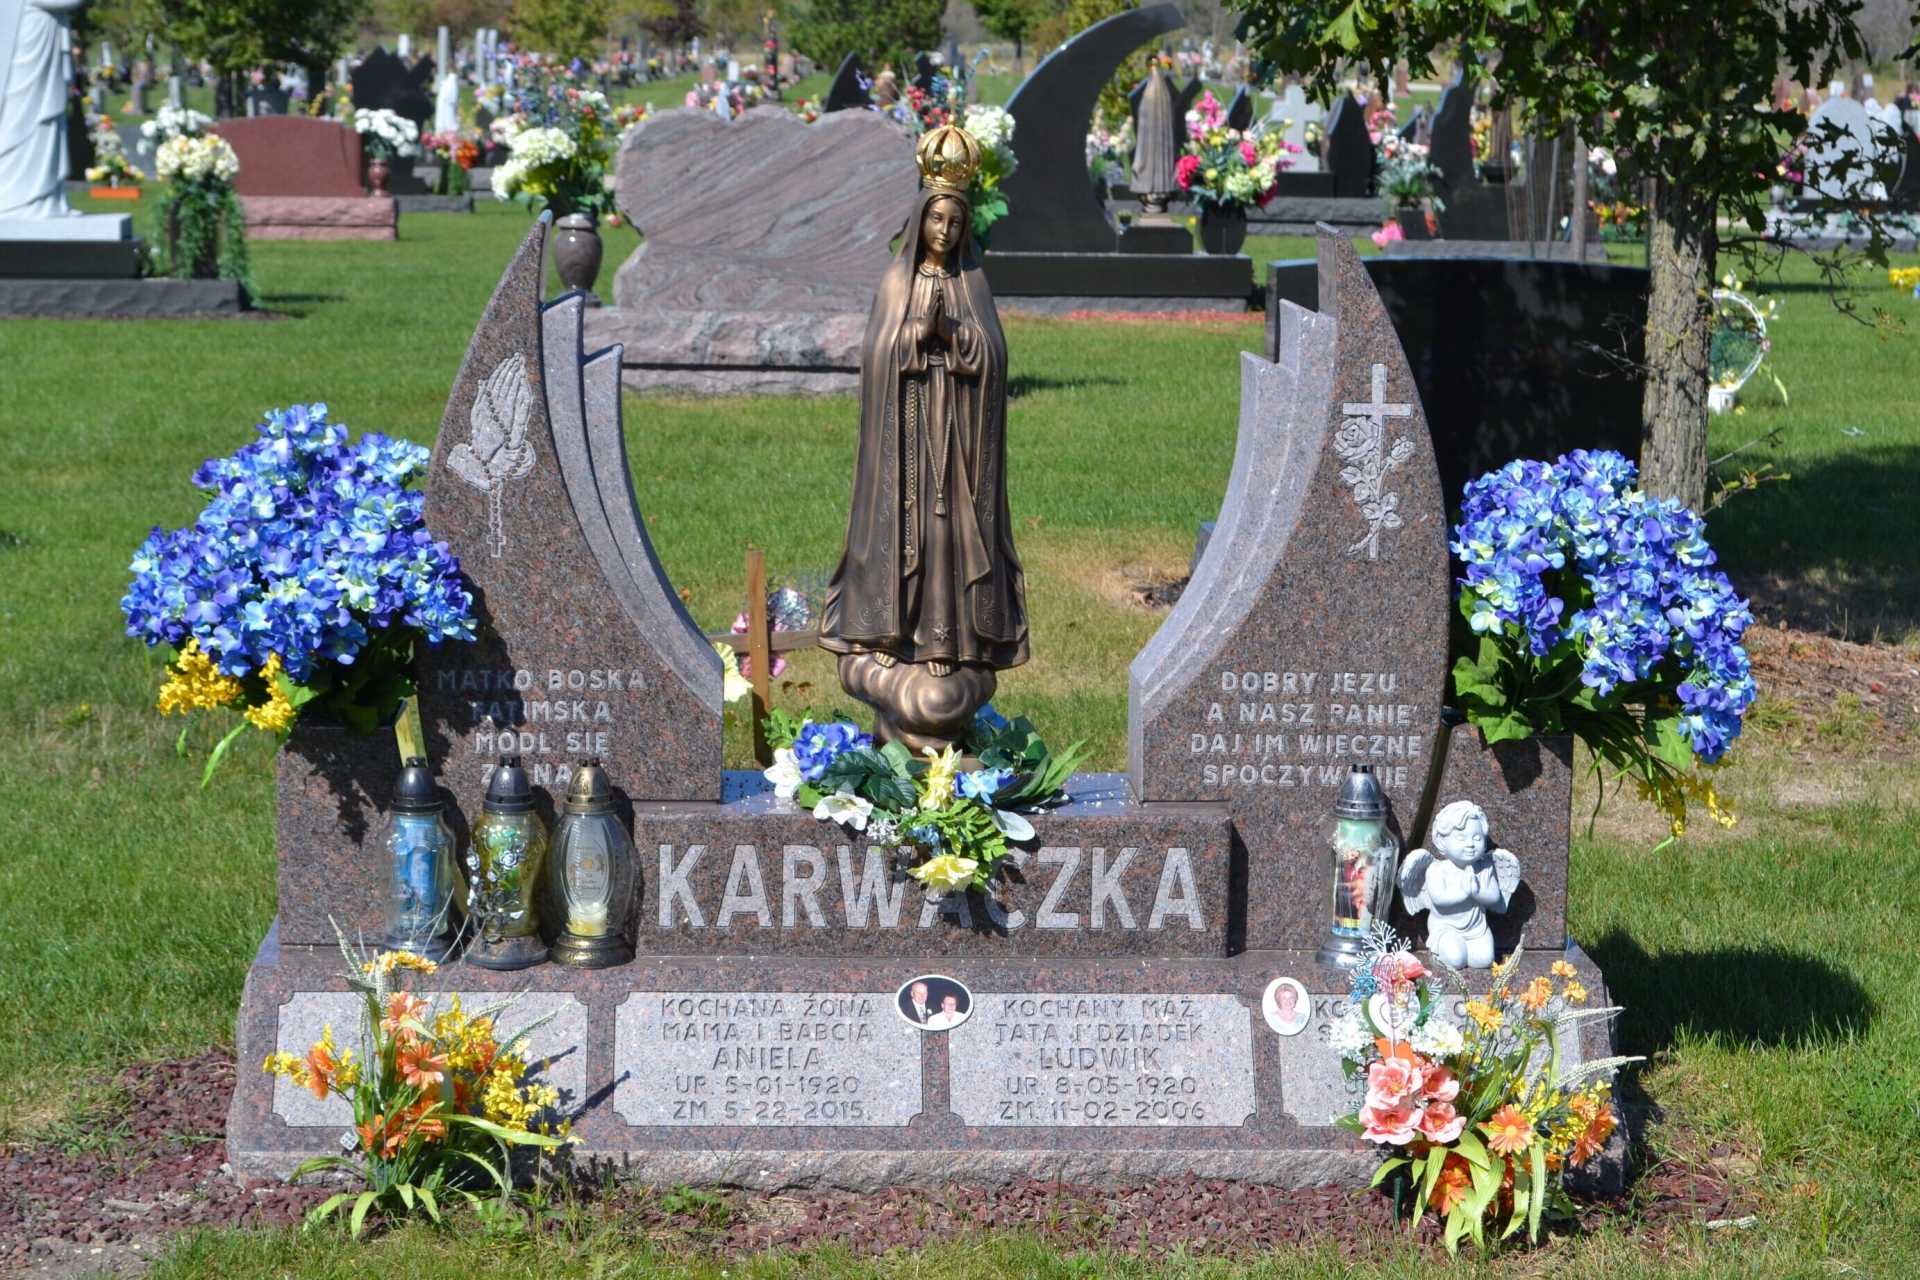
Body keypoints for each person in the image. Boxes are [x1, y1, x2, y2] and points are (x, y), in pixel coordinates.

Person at [820, 125, 1028, 681]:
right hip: (906, 429)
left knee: (946, 529)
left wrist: (957, 336)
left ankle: (944, 636)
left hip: (955, 429)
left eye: (955, 222)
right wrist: (916, 333)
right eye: (937, 219)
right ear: (920, 221)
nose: (945, 230)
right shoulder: (898, 281)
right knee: (901, 525)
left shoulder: (972, 281)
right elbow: (877, 353)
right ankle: (887, 631)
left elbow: (994, 354)